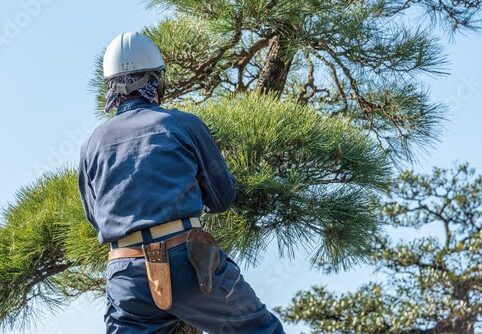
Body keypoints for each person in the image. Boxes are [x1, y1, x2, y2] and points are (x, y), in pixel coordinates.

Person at [78, 32, 285, 334]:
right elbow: (222, 197)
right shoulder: (181, 123)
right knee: (260, 329)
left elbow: (95, 218)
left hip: (125, 273)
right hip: (185, 259)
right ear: (155, 81)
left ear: (112, 88)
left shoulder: (91, 143)